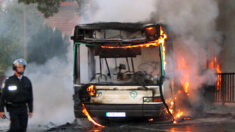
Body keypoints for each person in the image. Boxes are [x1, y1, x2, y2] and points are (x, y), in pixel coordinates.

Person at [0, 58, 33, 132]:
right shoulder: (8, 81)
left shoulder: (27, 81)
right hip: (13, 108)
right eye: (19, 67)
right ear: (15, 68)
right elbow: (2, 97)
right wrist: (1, 110)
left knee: (23, 128)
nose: (21, 69)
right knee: (15, 128)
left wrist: (30, 110)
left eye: (22, 67)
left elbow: (30, 97)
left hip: (23, 108)